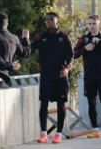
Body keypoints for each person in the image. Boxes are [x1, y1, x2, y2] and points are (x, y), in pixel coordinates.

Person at [30, 12, 73, 144]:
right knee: (43, 104)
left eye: (51, 19)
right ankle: (44, 134)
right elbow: (29, 50)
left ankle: (58, 134)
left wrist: (67, 68)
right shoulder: (40, 37)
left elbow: (71, 56)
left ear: (57, 21)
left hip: (60, 76)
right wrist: (24, 40)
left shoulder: (64, 37)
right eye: (47, 19)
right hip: (46, 76)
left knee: (61, 105)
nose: (48, 21)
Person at [0, 13, 30, 88]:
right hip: (5, 81)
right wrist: (25, 39)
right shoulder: (14, 38)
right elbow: (26, 52)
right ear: (6, 24)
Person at [74, 15, 101, 138]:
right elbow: (74, 54)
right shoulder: (84, 39)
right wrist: (85, 48)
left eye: (94, 23)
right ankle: (95, 129)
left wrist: (99, 43)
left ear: (99, 24)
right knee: (91, 103)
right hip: (89, 76)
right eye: (89, 24)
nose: (92, 26)